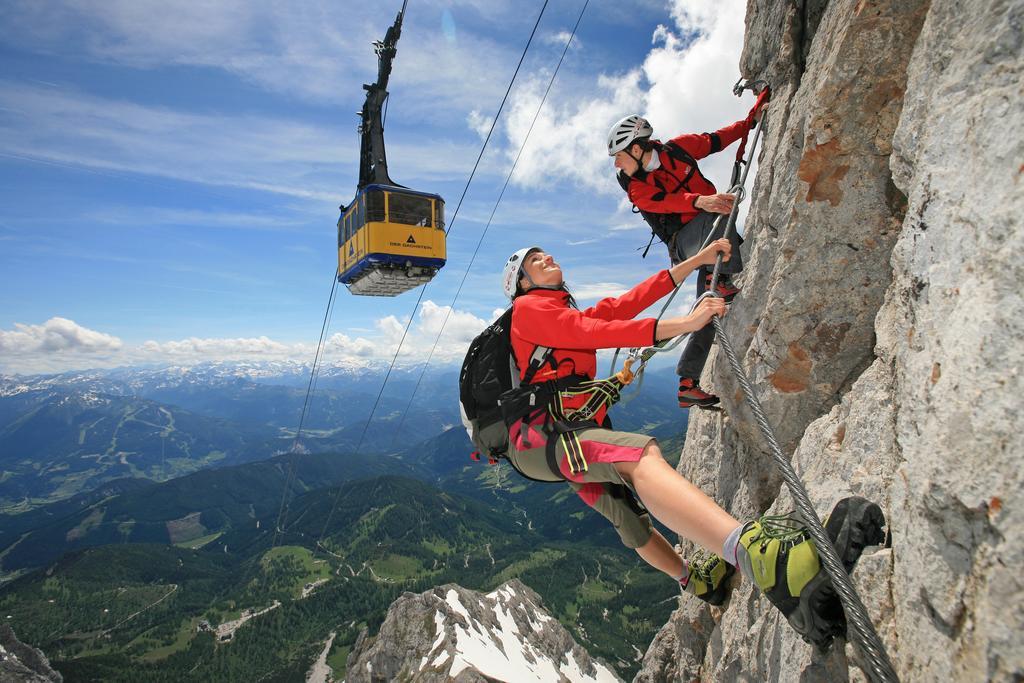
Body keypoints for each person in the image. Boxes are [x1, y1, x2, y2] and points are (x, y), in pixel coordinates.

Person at [500, 242, 885, 645]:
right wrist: (687, 323)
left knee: (628, 519)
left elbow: (625, 303)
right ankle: (765, 562)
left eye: (545, 252)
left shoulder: (559, 312)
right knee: (639, 455)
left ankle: (700, 583)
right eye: (532, 260)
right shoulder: (529, 310)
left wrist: (695, 262)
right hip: (547, 437)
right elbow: (593, 333)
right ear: (522, 283)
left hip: (550, 439)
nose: (546, 257)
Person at [607, 105, 765, 410]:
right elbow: (666, 203)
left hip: (705, 231)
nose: (616, 163)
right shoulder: (635, 186)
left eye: (620, 155)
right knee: (719, 219)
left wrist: (750, 121)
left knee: (707, 310)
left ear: (638, 149)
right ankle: (717, 280)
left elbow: (715, 140)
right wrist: (701, 200)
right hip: (683, 244)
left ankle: (687, 383)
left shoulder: (677, 149)